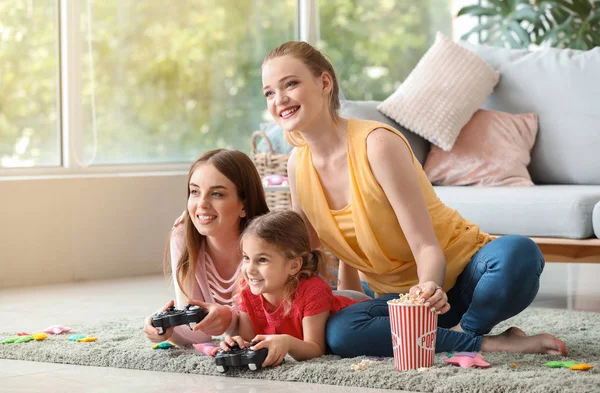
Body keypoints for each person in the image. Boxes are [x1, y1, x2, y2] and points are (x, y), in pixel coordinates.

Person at [260, 40, 568, 357]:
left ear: (324, 82)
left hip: (463, 279)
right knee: (340, 331)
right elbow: (308, 255)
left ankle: (460, 331)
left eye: (291, 84)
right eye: (269, 92)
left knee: (519, 253)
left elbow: (425, 245)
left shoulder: (376, 144)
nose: (279, 99)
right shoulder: (297, 165)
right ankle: (481, 341)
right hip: (400, 300)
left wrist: (429, 289)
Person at [143, 149, 270, 346]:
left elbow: (279, 323)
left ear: (244, 205)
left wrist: (231, 320)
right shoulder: (183, 238)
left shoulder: (269, 246)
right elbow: (197, 334)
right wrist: (166, 329)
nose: (201, 204)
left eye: (217, 194)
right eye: (195, 192)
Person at [220, 210, 359, 367]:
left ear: (293, 265)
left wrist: (288, 342)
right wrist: (237, 343)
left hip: (356, 313)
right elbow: (250, 341)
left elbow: (316, 349)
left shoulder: (313, 291)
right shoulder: (247, 290)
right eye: (246, 258)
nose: (249, 269)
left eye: (262, 260)